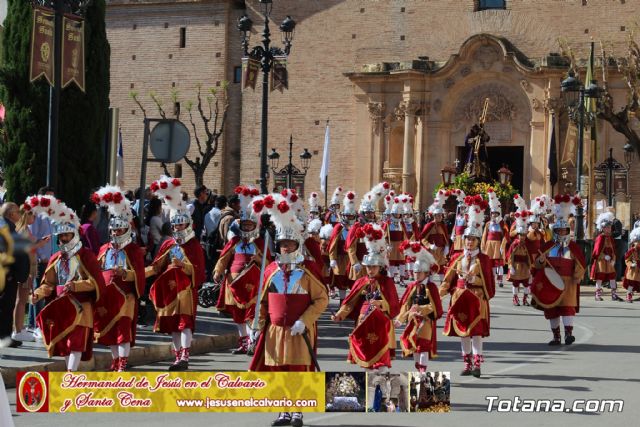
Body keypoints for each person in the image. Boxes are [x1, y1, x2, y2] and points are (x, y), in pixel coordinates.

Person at [248, 192, 328, 427]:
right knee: (280, 371)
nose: (285, 248)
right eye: (282, 244)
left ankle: (298, 412)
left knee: (297, 371)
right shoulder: (271, 270)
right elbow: (262, 303)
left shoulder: (306, 271)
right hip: (275, 331)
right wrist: (257, 326)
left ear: (297, 244)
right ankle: (283, 410)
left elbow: (321, 299)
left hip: (298, 330)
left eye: (290, 244)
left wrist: (305, 320)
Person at [28, 195, 106, 371]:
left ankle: (71, 374)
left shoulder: (86, 256)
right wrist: (37, 294)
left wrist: (77, 286)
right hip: (61, 307)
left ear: (75, 234)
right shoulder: (55, 258)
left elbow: (96, 283)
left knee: (75, 343)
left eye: (67, 234)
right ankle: (70, 373)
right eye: (61, 235)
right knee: (63, 344)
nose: (64, 238)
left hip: (81, 307)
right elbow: (48, 284)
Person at [145, 176, 206, 371]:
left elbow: (197, 270)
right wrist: (138, 274)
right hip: (170, 289)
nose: (179, 228)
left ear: (188, 225)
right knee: (173, 324)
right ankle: (177, 356)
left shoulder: (194, 245)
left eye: (182, 225)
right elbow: (156, 266)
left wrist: (183, 265)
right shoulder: (168, 244)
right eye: (176, 225)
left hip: (186, 289)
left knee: (184, 323)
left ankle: (185, 356)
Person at [439, 195, 495, 378]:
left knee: (476, 333)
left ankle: (478, 364)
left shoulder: (484, 259)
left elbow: (488, 282)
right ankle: (467, 363)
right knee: (463, 333)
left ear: (478, 241)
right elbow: (448, 279)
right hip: (460, 297)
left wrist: (475, 280)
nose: (469, 242)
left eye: (473, 239)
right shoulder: (457, 258)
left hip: (477, 298)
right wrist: (438, 294)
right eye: (467, 238)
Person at [332, 223, 400, 372]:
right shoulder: (361, 282)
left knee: (380, 361)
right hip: (363, 322)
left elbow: (393, 304)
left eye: (373, 267)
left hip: (380, 323)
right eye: (368, 267)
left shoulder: (386, 282)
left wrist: (381, 303)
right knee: (365, 358)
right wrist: (339, 315)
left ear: (380, 267)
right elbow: (349, 303)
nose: (370, 270)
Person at [92, 186, 146, 372]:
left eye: (119, 230)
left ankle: (123, 363)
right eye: (114, 230)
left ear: (126, 229)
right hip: (107, 296)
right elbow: (96, 268)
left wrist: (126, 274)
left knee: (123, 330)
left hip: (126, 297)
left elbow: (139, 273)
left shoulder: (133, 250)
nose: (116, 233)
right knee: (111, 331)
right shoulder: (104, 248)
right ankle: (115, 361)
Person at [214, 185, 270, 355]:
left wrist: (259, 259)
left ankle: (253, 341)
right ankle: (244, 342)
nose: (246, 228)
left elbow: (269, 264)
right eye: (244, 225)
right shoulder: (235, 241)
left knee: (253, 313)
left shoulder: (260, 243)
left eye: (249, 225)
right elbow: (224, 258)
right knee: (238, 315)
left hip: (254, 283)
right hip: (234, 281)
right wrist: (218, 271)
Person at [531, 194, 585, 346]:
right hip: (551, 282)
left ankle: (569, 334)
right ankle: (556, 336)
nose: (562, 233)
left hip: (569, 283)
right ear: (555, 231)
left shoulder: (573, 247)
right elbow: (537, 266)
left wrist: (577, 275)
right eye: (559, 231)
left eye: (564, 231)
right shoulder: (548, 247)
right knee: (552, 310)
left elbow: (581, 264)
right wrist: (541, 261)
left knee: (567, 308)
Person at [396, 241, 443, 373]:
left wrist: (421, 309)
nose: (416, 275)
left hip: (426, 321)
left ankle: (423, 371)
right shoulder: (411, 286)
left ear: (426, 273)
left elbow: (435, 306)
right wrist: (400, 318)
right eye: (415, 272)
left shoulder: (431, 287)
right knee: (415, 346)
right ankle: (418, 369)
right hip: (413, 320)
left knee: (423, 346)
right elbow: (405, 304)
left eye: (419, 273)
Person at [12, 205, 49, 343]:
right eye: (32, 215)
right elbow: (26, 248)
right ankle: (18, 330)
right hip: (25, 268)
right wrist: (40, 244)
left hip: (28, 267)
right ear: (26, 215)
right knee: (21, 300)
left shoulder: (25, 229)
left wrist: (41, 242)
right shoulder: (22, 230)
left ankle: (20, 328)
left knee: (21, 300)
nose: (34, 217)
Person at [27, 186, 56, 342]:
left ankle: (38, 322)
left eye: (52, 196)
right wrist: (40, 257)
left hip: (49, 258)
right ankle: (33, 324)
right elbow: (33, 237)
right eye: (48, 196)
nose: (51, 200)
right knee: (37, 291)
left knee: (44, 291)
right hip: (40, 259)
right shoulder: (36, 215)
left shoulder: (50, 214)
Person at [0, 204, 31, 348]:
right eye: (18, 212)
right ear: (11, 214)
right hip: (7, 277)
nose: (20, 214)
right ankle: (4, 337)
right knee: (6, 307)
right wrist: (14, 274)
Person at [347, 182, 390, 282]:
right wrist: (354, 262)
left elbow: (381, 244)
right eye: (368, 213)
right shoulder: (357, 226)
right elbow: (351, 247)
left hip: (375, 264)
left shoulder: (377, 226)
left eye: (372, 213)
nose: (370, 215)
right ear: (363, 213)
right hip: (361, 263)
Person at [328, 191, 358, 302]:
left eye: (352, 216)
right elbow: (333, 245)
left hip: (353, 259)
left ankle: (353, 303)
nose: (350, 218)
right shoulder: (338, 228)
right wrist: (332, 259)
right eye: (348, 216)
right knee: (341, 280)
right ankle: (342, 301)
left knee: (354, 280)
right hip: (340, 258)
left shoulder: (357, 228)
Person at [421, 190, 451, 282]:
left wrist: (446, 247)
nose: (439, 217)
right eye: (437, 215)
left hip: (441, 251)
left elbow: (445, 237)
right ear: (434, 216)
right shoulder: (429, 225)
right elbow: (422, 238)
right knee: (432, 267)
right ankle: (430, 283)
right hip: (432, 251)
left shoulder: (443, 226)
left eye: (440, 215)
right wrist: (429, 245)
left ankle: (442, 283)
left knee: (442, 268)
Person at [482, 189, 509, 287]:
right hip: (489, 244)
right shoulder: (488, 224)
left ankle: (500, 280)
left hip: (498, 244)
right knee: (491, 263)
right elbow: (484, 235)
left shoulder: (502, 224)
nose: (494, 216)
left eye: (496, 214)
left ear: (499, 214)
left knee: (499, 263)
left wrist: (503, 245)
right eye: (492, 214)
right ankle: (492, 279)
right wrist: (483, 246)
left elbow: (506, 235)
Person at [591, 211, 620, 301]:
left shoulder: (610, 238)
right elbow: (596, 251)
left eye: (610, 227)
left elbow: (613, 250)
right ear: (603, 228)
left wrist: (613, 259)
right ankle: (598, 295)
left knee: (612, 277)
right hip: (601, 261)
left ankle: (614, 294)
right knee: (600, 278)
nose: (609, 229)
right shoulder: (600, 237)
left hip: (610, 261)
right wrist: (604, 256)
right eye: (607, 227)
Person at [506, 210, 532, 306]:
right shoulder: (515, 244)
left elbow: (528, 256)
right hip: (516, 266)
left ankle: (525, 298)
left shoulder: (526, 244)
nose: (523, 237)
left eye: (524, 235)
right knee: (516, 283)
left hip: (524, 266)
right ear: (518, 235)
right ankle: (515, 298)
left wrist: (529, 267)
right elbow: (510, 255)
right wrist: (510, 266)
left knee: (526, 283)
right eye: (521, 235)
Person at [623, 225, 640, 302]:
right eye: (637, 241)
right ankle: (629, 294)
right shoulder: (631, 250)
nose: (638, 243)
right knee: (631, 283)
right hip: (633, 269)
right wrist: (631, 264)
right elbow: (627, 259)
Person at [450, 189, 467, 257]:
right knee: (456, 253)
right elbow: (455, 226)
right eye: (461, 208)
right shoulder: (458, 216)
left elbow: (467, 227)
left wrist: (465, 235)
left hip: (463, 237)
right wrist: (453, 234)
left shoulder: (466, 217)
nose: (461, 209)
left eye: (463, 208)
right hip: (457, 237)